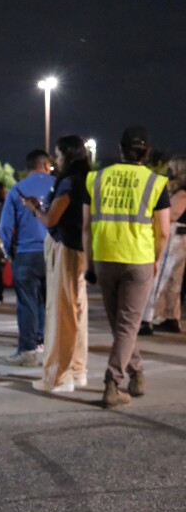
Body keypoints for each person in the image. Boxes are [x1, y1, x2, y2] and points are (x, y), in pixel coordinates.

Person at [83, 125, 170, 407]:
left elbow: (86, 227)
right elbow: (165, 231)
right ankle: (112, 383)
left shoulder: (95, 179)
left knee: (121, 325)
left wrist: (90, 262)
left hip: (105, 257)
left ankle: (137, 373)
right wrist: (157, 259)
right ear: (146, 152)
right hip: (139, 260)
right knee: (127, 326)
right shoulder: (156, 182)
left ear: (120, 149)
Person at [23, 135, 90, 393]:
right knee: (77, 313)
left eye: (59, 155)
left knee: (61, 314)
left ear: (68, 156)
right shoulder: (86, 179)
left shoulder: (69, 182)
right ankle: (77, 369)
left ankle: (58, 377)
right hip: (81, 250)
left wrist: (33, 209)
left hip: (66, 249)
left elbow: (52, 219)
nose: (56, 161)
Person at [0, 150, 53, 365]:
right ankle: (48, 345)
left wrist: (9, 253)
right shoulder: (58, 185)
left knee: (27, 302)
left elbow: (5, 226)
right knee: (49, 302)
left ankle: (28, 350)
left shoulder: (17, 190)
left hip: (25, 253)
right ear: (47, 165)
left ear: (29, 167)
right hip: (52, 252)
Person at [139, 154, 186, 335]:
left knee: (159, 279)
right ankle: (170, 317)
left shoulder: (182, 192)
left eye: (173, 168)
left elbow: (172, 215)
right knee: (173, 280)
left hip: (175, 236)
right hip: (180, 236)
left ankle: (146, 319)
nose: (170, 171)